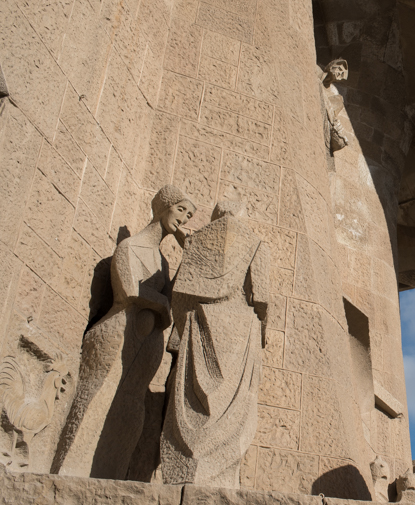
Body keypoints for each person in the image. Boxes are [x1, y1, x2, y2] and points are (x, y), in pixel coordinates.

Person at [53, 185, 195, 479]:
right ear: (163, 206)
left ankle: (112, 472)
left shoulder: (163, 262)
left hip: (145, 345)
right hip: (118, 334)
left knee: (131, 407)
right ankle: (69, 471)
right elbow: (130, 291)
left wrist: (188, 261)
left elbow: (172, 303)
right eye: (181, 209)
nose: (184, 219)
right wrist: (162, 304)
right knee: (98, 398)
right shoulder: (130, 247)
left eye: (189, 214)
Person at [160, 200, 269, 488]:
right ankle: (218, 480)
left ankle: (183, 472)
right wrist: (262, 331)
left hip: (199, 322)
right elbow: (262, 298)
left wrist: (182, 331)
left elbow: (180, 295)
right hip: (239, 326)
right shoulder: (255, 243)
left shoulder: (199, 242)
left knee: (191, 400)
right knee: (232, 410)